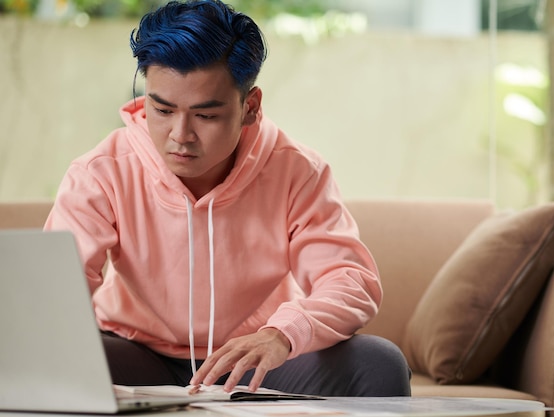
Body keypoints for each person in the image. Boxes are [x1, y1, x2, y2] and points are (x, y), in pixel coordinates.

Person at [44, 0, 411, 397]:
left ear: (249, 107)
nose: (179, 135)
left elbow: (349, 279)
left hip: (254, 360)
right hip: (134, 353)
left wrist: (281, 335)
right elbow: (52, 293)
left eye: (205, 116)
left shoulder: (297, 170)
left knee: (379, 363)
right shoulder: (101, 171)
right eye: (162, 109)